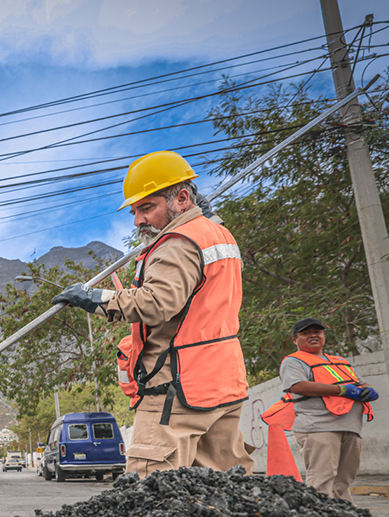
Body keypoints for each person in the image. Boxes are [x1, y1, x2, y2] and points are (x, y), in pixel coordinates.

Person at [53, 150, 254, 478]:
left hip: (176, 389)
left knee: (151, 486)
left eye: (147, 208)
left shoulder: (177, 243)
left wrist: (95, 299)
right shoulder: (217, 234)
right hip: (223, 382)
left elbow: (157, 303)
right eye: (135, 211)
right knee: (221, 487)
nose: (138, 220)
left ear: (182, 199)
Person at [262, 318, 376, 502]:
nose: (313, 335)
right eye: (306, 333)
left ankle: (344, 515)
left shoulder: (340, 362)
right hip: (318, 427)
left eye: (317, 332)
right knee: (322, 479)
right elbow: (298, 386)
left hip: (350, 427)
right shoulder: (294, 361)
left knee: (344, 478)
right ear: (295, 340)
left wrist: (368, 389)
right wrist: (341, 390)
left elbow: (361, 383)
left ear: (324, 335)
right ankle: (321, 515)